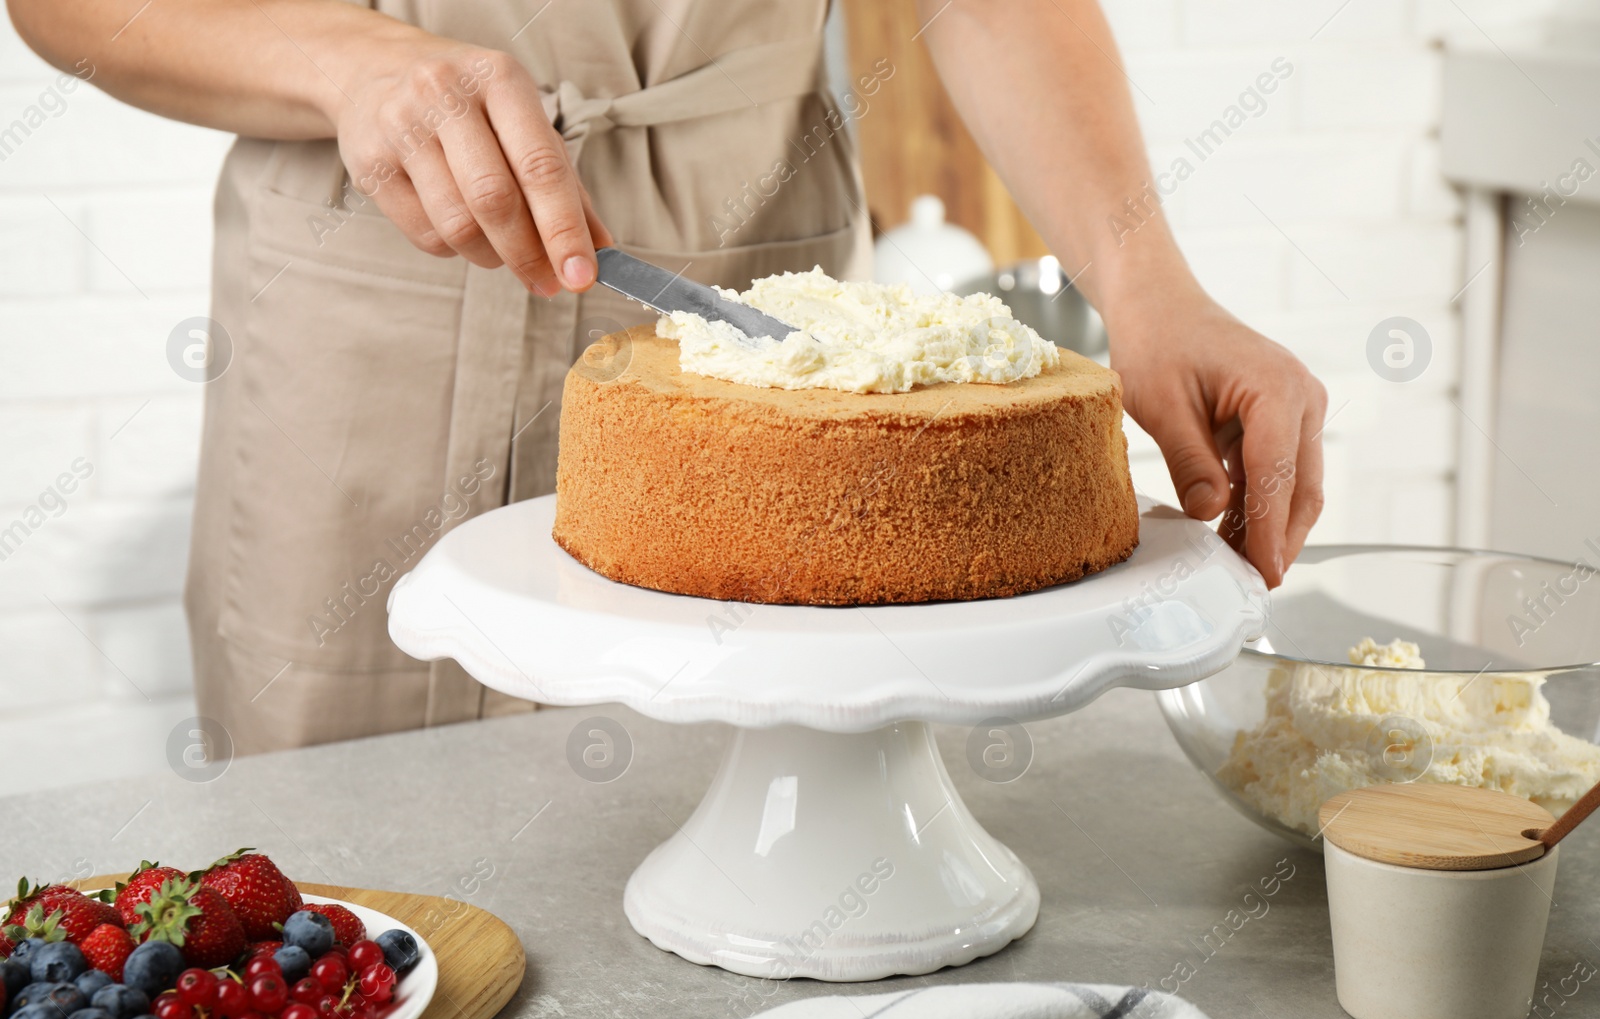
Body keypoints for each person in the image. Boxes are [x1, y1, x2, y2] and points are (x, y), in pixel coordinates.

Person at [10, 0, 1325, 753]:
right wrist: (346, 61)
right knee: (351, 889)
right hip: (372, 278)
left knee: (734, 831)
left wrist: (1149, 284)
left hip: (757, 272)